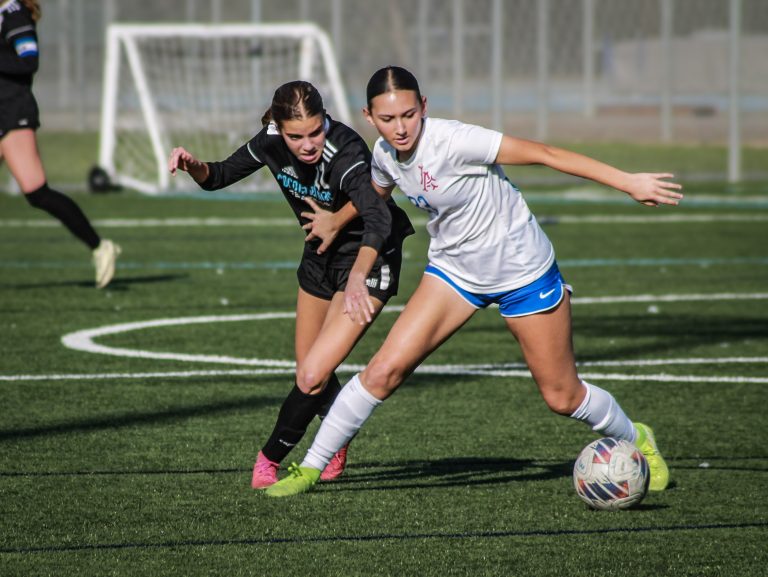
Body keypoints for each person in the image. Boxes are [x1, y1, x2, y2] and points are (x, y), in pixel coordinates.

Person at [265, 65, 683, 498]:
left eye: (409, 114)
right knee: (383, 371)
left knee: (562, 396)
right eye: (388, 119)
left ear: (424, 107)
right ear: (369, 117)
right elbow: (378, 191)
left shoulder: (456, 140)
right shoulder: (384, 154)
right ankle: (310, 469)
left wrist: (628, 181)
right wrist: (338, 221)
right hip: (454, 272)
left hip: (522, 271)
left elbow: (545, 153)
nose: (401, 128)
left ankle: (638, 438)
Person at [168, 80, 414, 489]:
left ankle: (269, 459)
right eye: (295, 135)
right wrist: (195, 165)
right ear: (278, 129)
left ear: (326, 121)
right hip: (320, 255)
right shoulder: (270, 142)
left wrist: (356, 276)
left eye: (315, 131)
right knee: (309, 370)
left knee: (312, 376)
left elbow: (379, 215)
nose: (307, 144)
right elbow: (219, 176)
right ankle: (336, 441)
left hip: (368, 261)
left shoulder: (347, 151)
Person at [0, 0, 120, 288]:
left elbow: (29, 60)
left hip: (12, 113)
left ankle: (100, 246)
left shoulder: (13, 13)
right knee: (37, 193)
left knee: (37, 192)